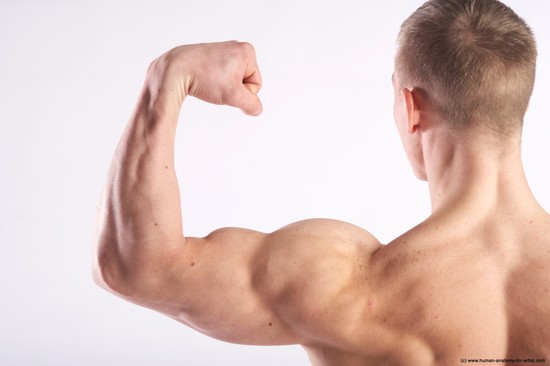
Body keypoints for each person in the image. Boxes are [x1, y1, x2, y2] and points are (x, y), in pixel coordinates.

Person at [93, 0, 550, 364]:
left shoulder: (349, 284)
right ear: (518, 108)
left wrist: (167, 78)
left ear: (410, 108)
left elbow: (137, 269)